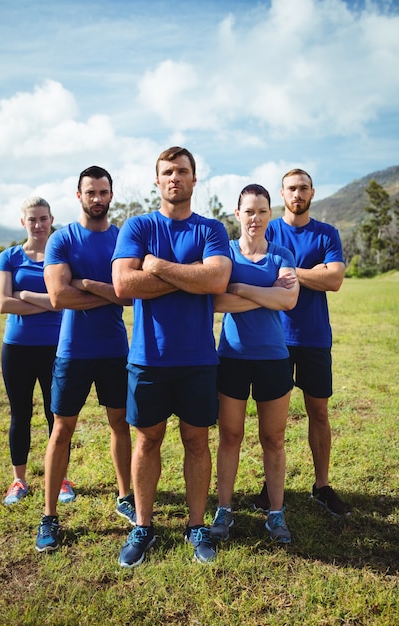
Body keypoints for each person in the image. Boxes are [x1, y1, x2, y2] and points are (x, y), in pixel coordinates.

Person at [112, 146, 232, 568]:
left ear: (194, 179)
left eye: (182, 171)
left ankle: (196, 525)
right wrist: (189, 276)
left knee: (197, 442)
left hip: (199, 359)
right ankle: (143, 525)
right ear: (157, 180)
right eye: (167, 172)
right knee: (147, 440)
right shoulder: (138, 225)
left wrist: (160, 267)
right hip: (148, 359)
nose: (175, 178)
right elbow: (125, 285)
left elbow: (217, 278)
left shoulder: (211, 228)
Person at [35, 166, 135, 553]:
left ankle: (125, 496)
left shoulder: (122, 238)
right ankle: (49, 517)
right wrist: (110, 291)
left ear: (111, 195)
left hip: (114, 350)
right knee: (61, 431)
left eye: (103, 192)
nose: (97, 198)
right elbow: (59, 298)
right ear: (79, 196)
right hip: (72, 351)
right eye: (90, 192)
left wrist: (89, 284)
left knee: (120, 426)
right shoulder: (62, 239)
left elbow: (130, 296)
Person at [254, 168, 350, 518]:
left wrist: (291, 272)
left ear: (312, 192)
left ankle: (322, 486)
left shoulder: (326, 233)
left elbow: (336, 279)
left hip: (313, 338)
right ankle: (271, 486)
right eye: (292, 188)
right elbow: (263, 273)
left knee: (319, 412)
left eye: (303, 188)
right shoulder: (269, 229)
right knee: (272, 421)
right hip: (273, 339)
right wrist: (315, 273)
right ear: (282, 194)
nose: (298, 194)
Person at [210, 184, 299, 544]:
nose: (256, 218)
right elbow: (216, 301)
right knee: (230, 436)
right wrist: (269, 296)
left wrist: (242, 289)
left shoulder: (281, 254)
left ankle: (276, 514)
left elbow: (289, 301)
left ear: (270, 215)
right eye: (249, 211)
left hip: (274, 359)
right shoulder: (226, 253)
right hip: (231, 356)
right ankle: (224, 510)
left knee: (273, 438)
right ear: (237, 214)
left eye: (262, 211)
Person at [0, 197, 74, 506]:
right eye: (32, 220)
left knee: (56, 416)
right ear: (23, 222)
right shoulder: (9, 257)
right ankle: (19, 480)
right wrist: (48, 302)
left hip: (56, 348)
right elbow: (3, 303)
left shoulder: (60, 256)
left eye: (43, 218)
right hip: (16, 349)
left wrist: (24, 294)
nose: (38, 225)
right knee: (20, 414)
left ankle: (62, 479)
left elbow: (63, 301)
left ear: (51, 219)